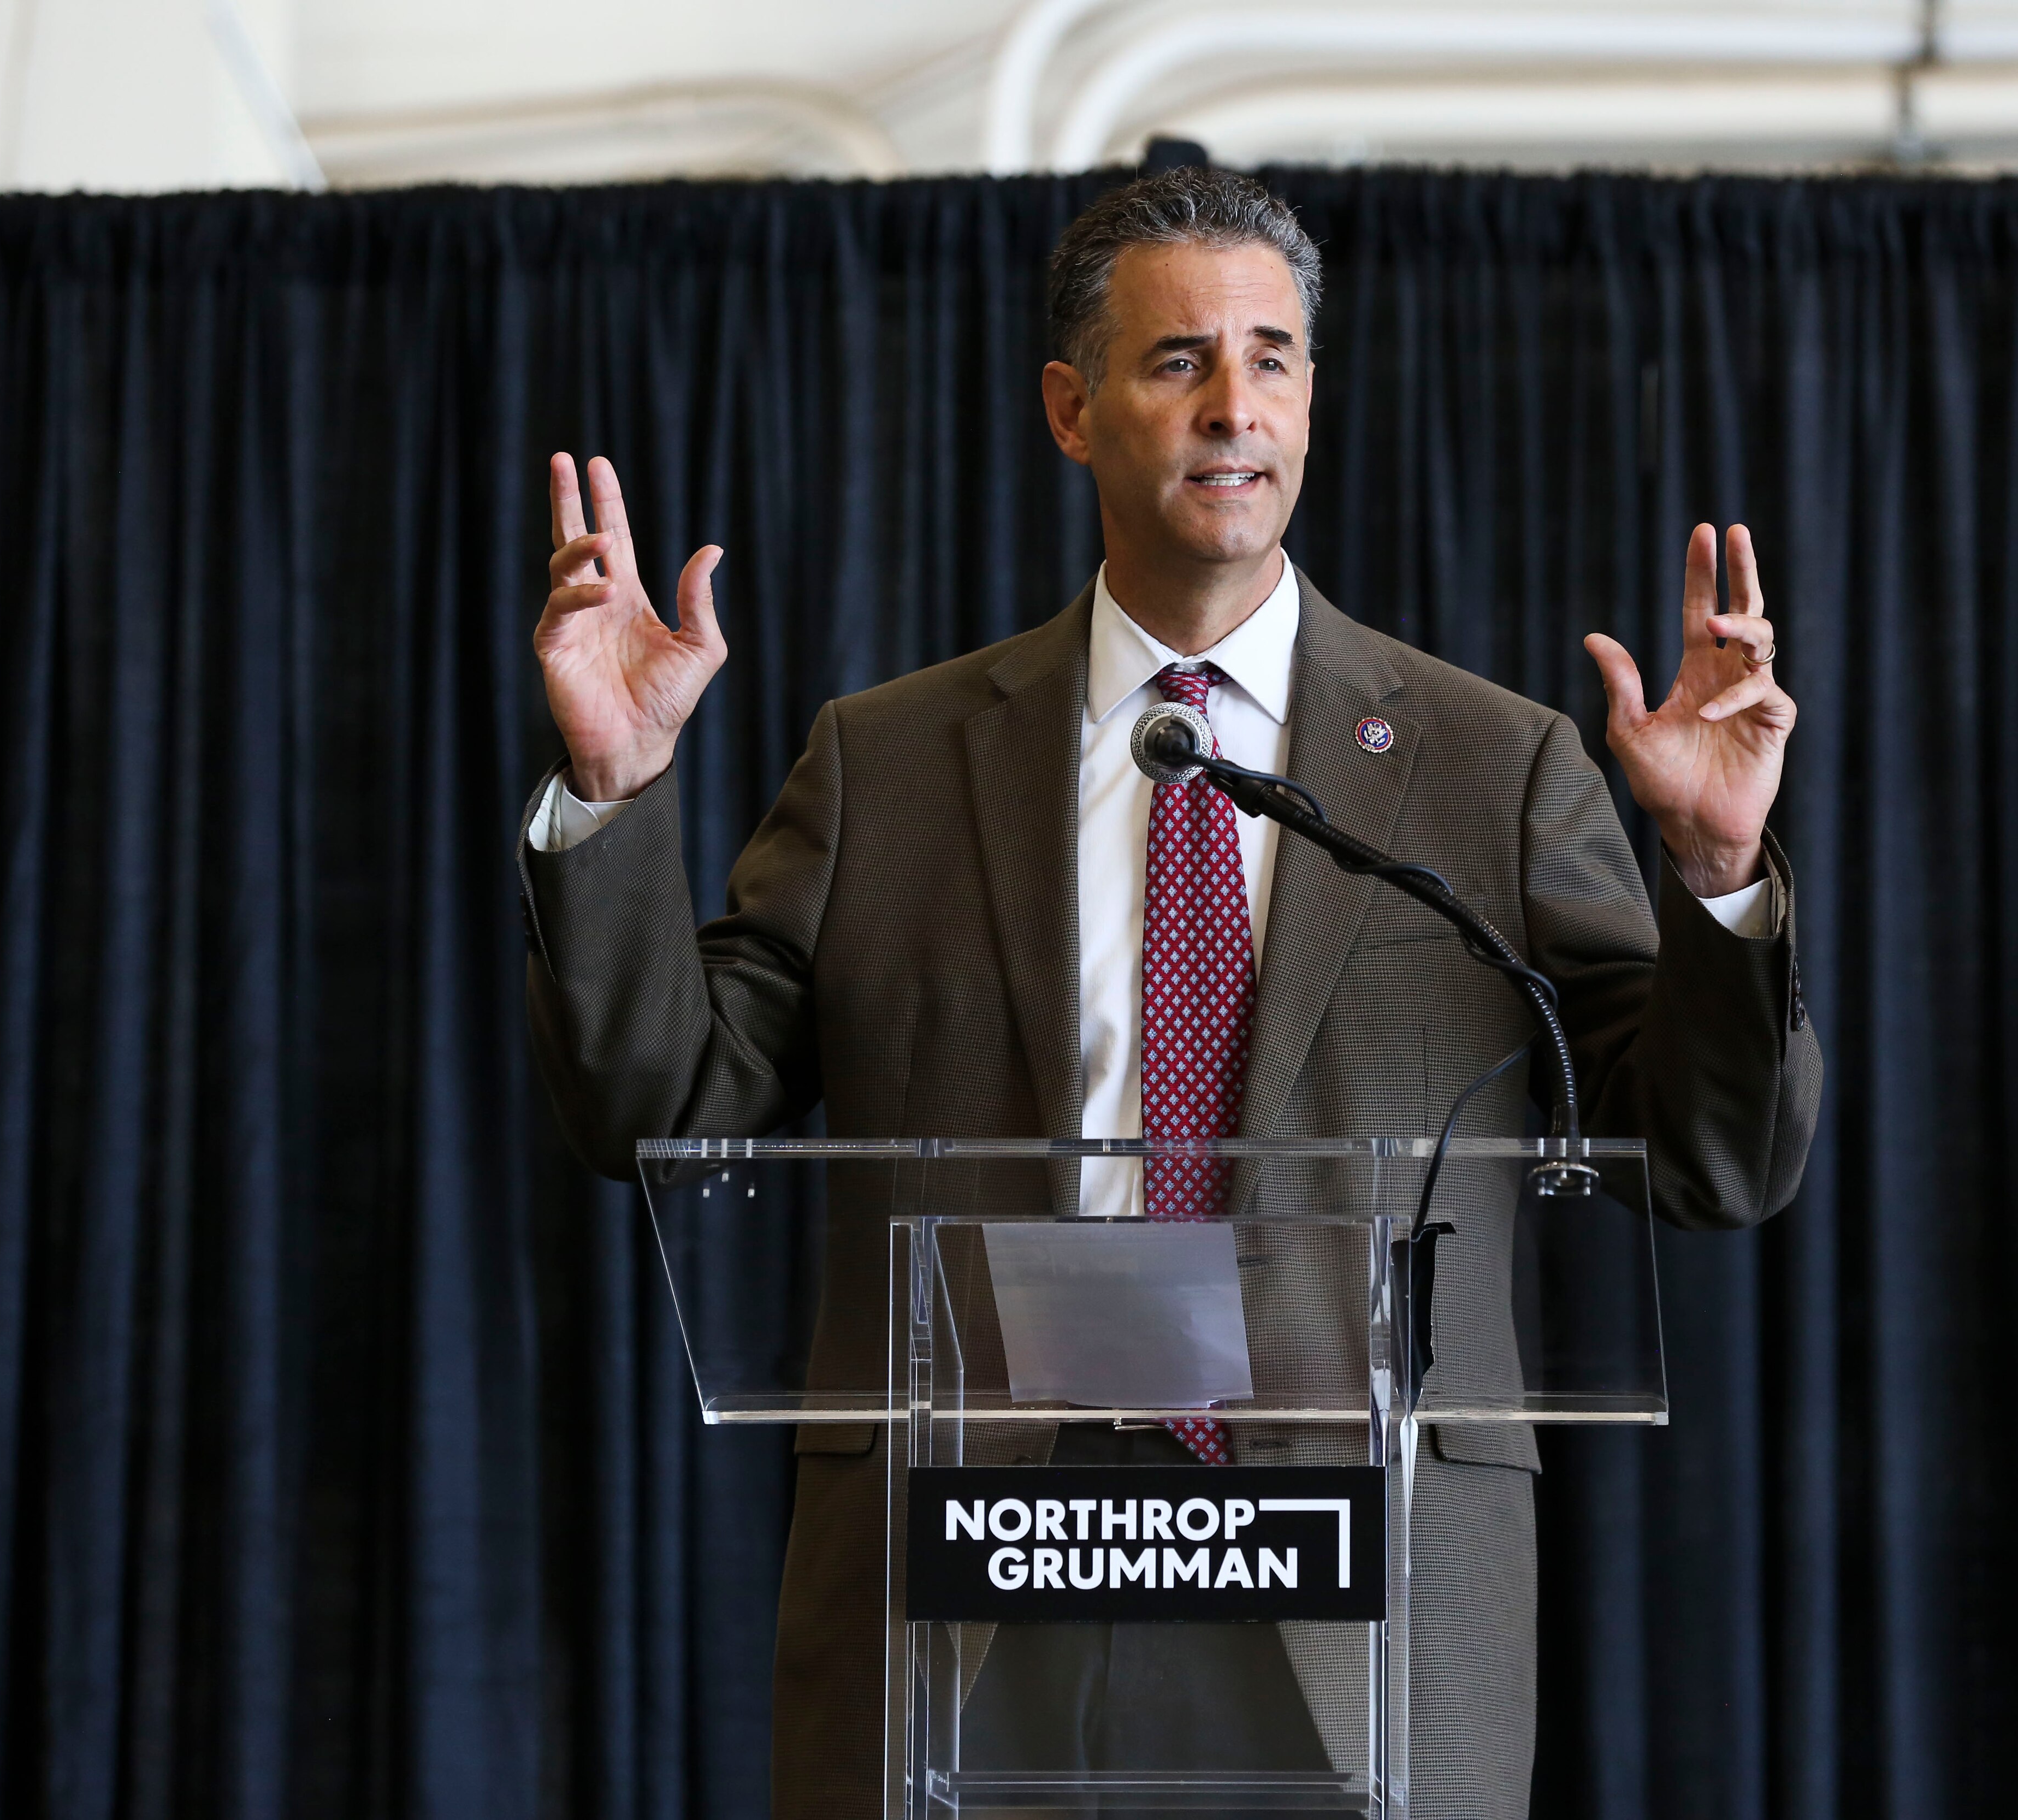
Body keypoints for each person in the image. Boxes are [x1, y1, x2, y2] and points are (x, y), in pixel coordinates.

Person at [517, 167, 1819, 1819]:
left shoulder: (1491, 767)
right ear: (1073, 409)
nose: (1234, 408)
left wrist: (1715, 877)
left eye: (1273, 358)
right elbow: (656, 1109)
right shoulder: (893, 764)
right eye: (1178, 361)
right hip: (977, 1577)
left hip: (1353, 1596)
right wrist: (617, 798)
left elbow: (1715, 1163)